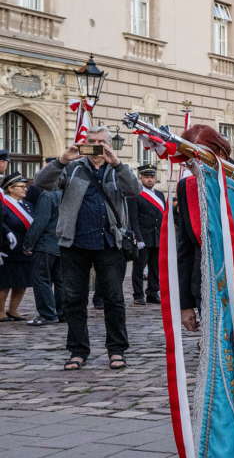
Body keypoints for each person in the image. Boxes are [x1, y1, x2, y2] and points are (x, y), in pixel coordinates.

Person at [34, 127, 142, 370]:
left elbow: (135, 190)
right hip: (75, 243)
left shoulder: (117, 170)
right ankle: (77, 350)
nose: (96, 145)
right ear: (83, 143)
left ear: (109, 144)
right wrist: (62, 160)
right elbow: (42, 182)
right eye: (91, 141)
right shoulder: (72, 168)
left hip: (109, 244)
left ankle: (116, 349)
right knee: (73, 300)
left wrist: (117, 164)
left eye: (101, 141)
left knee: (114, 300)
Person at [175, 124, 234, 333]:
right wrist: (185, 304)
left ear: (221, 154)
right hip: (206, 288)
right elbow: (185, 249)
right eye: (189, 163)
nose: (194, 168)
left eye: (199, 160)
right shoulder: (187, 188)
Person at [22, 186, 64, 326]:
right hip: (63, 244)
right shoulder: (65, 194)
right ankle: (62, 312)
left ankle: (47, 314)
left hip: (46, 244)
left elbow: (40, 221)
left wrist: (28, 243)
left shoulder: (48, 196)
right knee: (60, 281)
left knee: (41, 279)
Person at [0, 173, 33, 321]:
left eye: (25, 186)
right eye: (21, 186)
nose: (25, 189)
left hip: (25, 249)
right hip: (8, 249)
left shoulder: (28, 205)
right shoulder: (4, 204)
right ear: (11, 188)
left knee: (22, 281)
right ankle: (0, 310)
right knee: (5, 282)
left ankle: (13, 310)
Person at [130, 164, 164, 305]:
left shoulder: (160, 195)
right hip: (143, 237)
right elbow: (133, 219)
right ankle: (138, 295)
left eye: (152, 177)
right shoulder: (135, 195)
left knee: (155, 268)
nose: (150, 180)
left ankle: (152, 293)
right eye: (146, 177)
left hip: (157, 237)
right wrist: (138, 238)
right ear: (141, 178)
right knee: (139, 268)